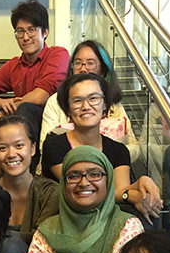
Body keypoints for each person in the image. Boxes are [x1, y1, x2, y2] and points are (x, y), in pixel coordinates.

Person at [41, 73, 162, 224]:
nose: (86, 107)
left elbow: (119, 190)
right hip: (64, 221)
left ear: (105, 105)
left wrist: (142, 181)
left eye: (93, 98)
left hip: (105, 220)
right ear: (68, 109)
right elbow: (83, 187)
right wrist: (129, 195)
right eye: (77, 101)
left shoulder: (118, 150)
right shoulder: (54, 146)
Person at [0, 0, 69, 144]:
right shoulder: (14, 65)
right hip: (21, 123)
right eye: (20, 31)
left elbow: (40, 97)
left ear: (45, 32)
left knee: (26, 108)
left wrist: (4, 113)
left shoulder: (58, 55)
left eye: (31, 30)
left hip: (51, 124)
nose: (25, 37)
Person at [39, 40, 139, 161]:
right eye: (78, 63)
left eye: (90, 63)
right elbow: (46, 147)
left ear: (103, 69)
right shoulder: (55, 101)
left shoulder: (113, 104)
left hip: (110, 170)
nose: (83, 69)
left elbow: (134, 147)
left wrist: (103, 158)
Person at [0, 114, 58, 253]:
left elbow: (41, 241)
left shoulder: (50, 192)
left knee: (10, 246)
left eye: (19, 145)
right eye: (2, 148)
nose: (11, 154)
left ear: (32, 148)